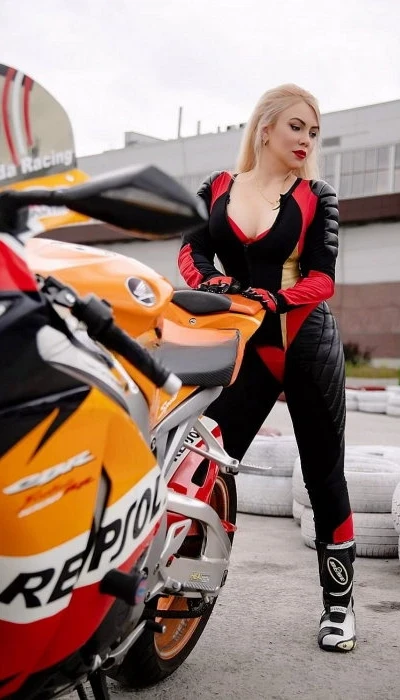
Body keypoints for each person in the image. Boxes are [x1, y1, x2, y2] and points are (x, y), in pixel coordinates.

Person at [178, 84, 356, 652]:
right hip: (242, 349)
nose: (306, 140)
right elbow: (190, 251)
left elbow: (322, 279)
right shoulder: (217, 188)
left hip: (307, 345)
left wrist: (271, 299)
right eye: (296, 126)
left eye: (313, 132)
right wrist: (214, 284)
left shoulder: (318, 195)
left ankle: (340, 609)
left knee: (324, 477)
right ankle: (179, 590)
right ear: (265, 127)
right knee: (202, 466)